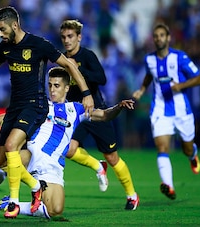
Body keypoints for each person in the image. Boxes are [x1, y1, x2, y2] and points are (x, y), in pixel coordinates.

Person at [0, 6, 94, 219]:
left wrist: (86, 92)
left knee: (11, 146)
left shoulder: (39, 45)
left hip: (35, 105)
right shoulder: (5, 47)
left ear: (14, 25)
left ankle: (16, 201)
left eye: (2, 29)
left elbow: (68, 65)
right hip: (15, 107)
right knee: (3, 163)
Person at [0, 67, 135, 219]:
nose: (52, 89)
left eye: (57, 86)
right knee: (6, 162)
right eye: (50, 85)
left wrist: (118, 107)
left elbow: (104, 115)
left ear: (67, 88)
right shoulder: (40, 105)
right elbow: (8, 117)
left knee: (55, 210)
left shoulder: (76, 109)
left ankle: (8, 205)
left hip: (53, 167)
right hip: (32, 157)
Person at [59, 19, 139, 210]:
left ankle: (131, 195)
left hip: (95, 111)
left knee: (112, 157)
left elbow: (101, 78)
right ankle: (97, 166)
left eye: (70, 36)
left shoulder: (87, 56)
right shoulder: (61, 58)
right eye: (63, 37)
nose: (66, 40)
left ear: (79, 37)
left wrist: (77, 69)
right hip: (75, 112)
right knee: (69, 150)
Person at [132, 23, 200, 200]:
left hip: (181, 110)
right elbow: (149, 75)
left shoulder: (180, 57)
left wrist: (181, 85)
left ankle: (192, 154)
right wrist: (141, 89)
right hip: (160, 110)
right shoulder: (149, 59)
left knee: (186, 148)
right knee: (162, 147)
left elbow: (199, 78)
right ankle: (168, 186)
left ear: (168, 37)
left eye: (162, 35)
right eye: (156, 36)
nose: (158, 39)